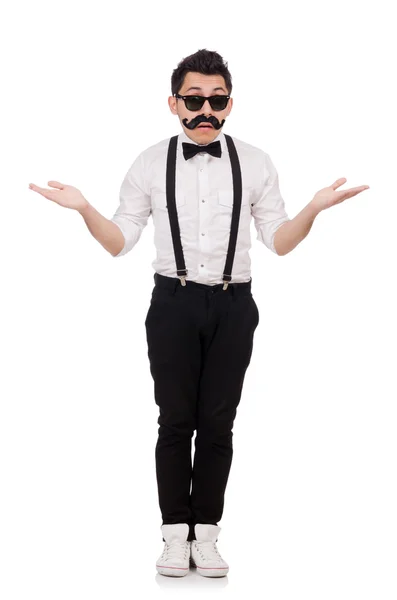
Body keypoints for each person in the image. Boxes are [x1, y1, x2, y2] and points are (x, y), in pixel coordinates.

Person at [28, 48, 369, 579]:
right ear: (174, 103)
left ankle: (206, 536)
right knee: (174, 421)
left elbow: (278, 241)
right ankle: (172, 535)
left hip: (236, 304)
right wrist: (85, 209)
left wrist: (313, 209)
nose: (205, 109)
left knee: (218, 422)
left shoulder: (256, 161)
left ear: (230, 104)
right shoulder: (148, 162)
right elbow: (120, 242)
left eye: (217, 99)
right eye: (194, 99)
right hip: (173, 302)